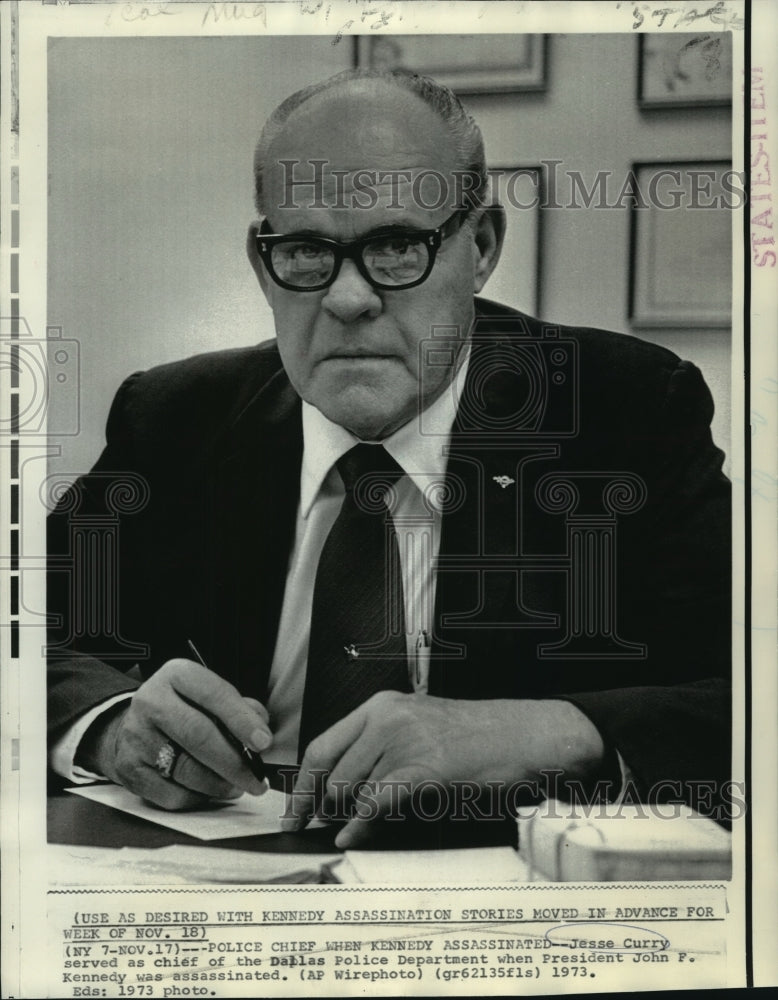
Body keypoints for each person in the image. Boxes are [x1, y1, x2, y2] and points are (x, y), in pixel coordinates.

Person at [47, 69, 731, 849]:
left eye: (397, 245)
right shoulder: (173, 418)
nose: (347, 299)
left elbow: (749, 692)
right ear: (260, 260)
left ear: (479, 248)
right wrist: (105, 725)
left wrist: (551, 728)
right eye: (305, 250)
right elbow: (24, 631)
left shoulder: (628, 415)